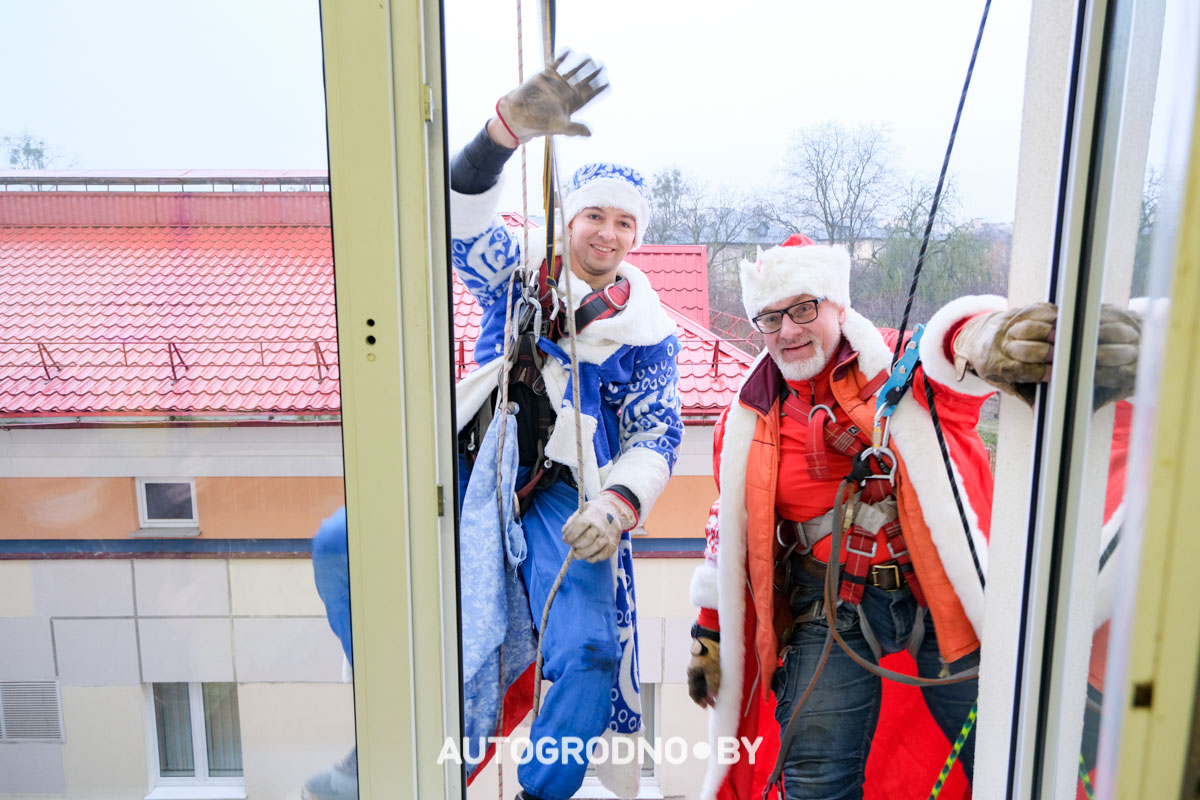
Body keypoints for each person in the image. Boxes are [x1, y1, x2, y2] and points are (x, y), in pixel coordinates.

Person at [304, 53, 683, 800]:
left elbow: (655, 435)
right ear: (570, 218)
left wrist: (616, 506)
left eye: (623, 223)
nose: (606, 234)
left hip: (563, 493)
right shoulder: (517, 274)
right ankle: (395, 707)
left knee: (590, 649)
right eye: (595, 216)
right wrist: (502, 133)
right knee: (341, 544)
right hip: (474, 462)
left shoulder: (648, 333)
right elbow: (461, 213)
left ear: (636, 237)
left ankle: (543, 791)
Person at [683, 234, 1140, 800]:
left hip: (939, 592)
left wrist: (990, 336)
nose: (788, 330)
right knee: (816, 778)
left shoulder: (895, 362)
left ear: (837, 306)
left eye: (802, 309)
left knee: (1012, 749)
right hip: (826, 607)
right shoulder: (745, 420)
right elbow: (727, 531)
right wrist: (709, 632)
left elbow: (950, 356)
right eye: (770, 318)